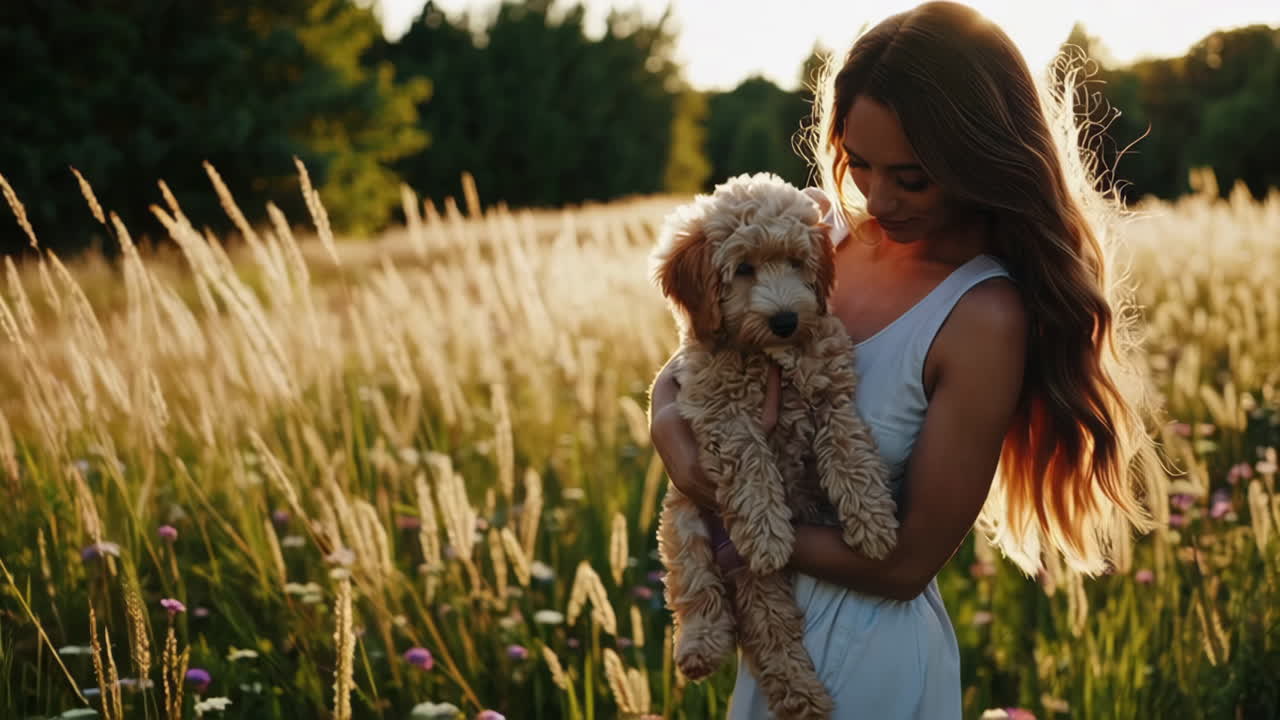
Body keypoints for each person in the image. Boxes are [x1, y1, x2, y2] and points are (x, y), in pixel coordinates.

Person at [647, 2, 1164, 718]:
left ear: (977, 159)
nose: (876, 198)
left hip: (865, 656)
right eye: (858, 164)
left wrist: (744, 520)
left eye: (911, 177)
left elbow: (905, 564)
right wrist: (675, 443)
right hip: (767, 641)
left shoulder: (983, 315)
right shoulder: (813, 234)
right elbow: (689, 363)